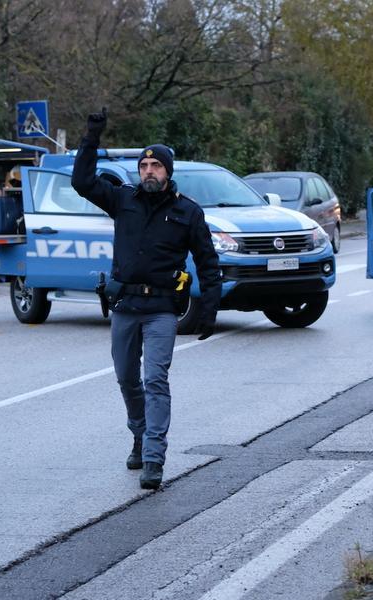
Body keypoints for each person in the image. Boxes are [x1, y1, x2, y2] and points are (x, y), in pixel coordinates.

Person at [71, 108, 222, 490]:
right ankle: (139, 434)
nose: (149, 170)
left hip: (161, 312)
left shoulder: (188, 212)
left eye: (156, 165)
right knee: (126, 379)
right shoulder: (123, 200)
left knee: (155, 379)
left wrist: (210, 308)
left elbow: (208, 261)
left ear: (168, 171)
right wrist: (92, 137)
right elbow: (82, 182)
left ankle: (154, 457)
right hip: (124, 308)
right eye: (144, 165)